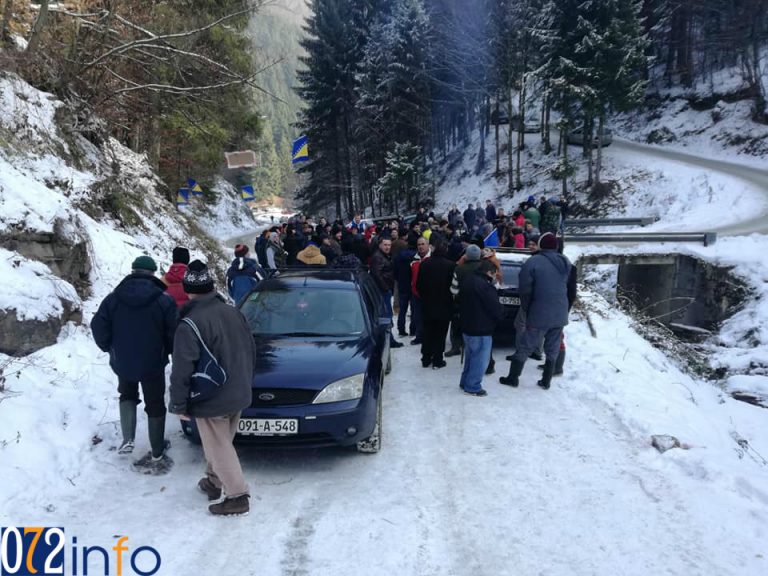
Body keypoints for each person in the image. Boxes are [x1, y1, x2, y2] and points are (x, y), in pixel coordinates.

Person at [169, 260, 257, 516]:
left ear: (188, 290)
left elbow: (182, 368)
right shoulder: (234, 312)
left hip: (211, 396)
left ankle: (238, 496)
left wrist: (178, 403)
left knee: (218, 446)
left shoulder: (189, 323)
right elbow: (250, 349)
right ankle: (213, 481)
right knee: (220, 442)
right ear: (211, 287)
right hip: (238, 390)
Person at [90, 255, 177, 471]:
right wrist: (166, 350)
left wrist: (110, 348)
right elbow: (173, 332)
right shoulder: (164, 300)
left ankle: (128, 438)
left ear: (133, 271)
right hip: (153, 361)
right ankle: (157, 451)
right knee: (155, 403)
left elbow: (98, 326)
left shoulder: (113, 299)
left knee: (127, 394)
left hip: (123, 360)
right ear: (153, 273)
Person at [499, 232, 577, 390]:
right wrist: (565, 309)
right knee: (553, 346)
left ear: (541, 245)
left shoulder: (533, 261)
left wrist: (527, 307)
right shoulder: (566, 262)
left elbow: (524, 289)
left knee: (526, 344)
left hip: (540, 311)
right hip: (560, 312)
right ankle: (546, 380)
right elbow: (570, 289)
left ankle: (513, 378)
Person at [458, 260, 503, 397]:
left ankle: (465, 381)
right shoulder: (485, 286)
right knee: (480, 360)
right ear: (489, 272)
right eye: (494, 274)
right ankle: (473, 386)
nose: (495, 277)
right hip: (481, 328)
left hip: (467, 326)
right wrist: (502, 314)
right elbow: (494, 307)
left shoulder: (468, 280)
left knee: (470, 357)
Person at [416, 235, 455, 368]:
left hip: (427, 304)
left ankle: (426, 358)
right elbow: (453, 287)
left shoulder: (425, 264)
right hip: (444, 305)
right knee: (440, 333)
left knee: (427, 332)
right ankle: (438, 359)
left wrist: (424, 297)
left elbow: (419, 285)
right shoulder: (450, 265)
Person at [447, 244, 483, 357]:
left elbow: (454, 290)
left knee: (456, 325)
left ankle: (455, 347)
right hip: (480, 304)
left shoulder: (459, 269)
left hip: (461, 304)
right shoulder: (485, 268)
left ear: (466, 255)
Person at [370, 237, 404, 348]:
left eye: (389, 245)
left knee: (386, 316)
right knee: (386, 316)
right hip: (382, 291)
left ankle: (388, 339)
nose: (387, 247)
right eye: (385, 245)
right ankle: (388, 340)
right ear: (380, 245)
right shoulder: (378, 257)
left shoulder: (384, 256)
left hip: (385, 289)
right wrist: (386, 289)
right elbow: (377, 274)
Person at [394, 238, 417, 337]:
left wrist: (398, 279)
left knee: (402, 309)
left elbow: (395, 270)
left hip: (402, 284)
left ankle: (401, 329)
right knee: (414, 309)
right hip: (413, 285)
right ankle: (413, 329)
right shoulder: (416, 256)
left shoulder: (399, 255)